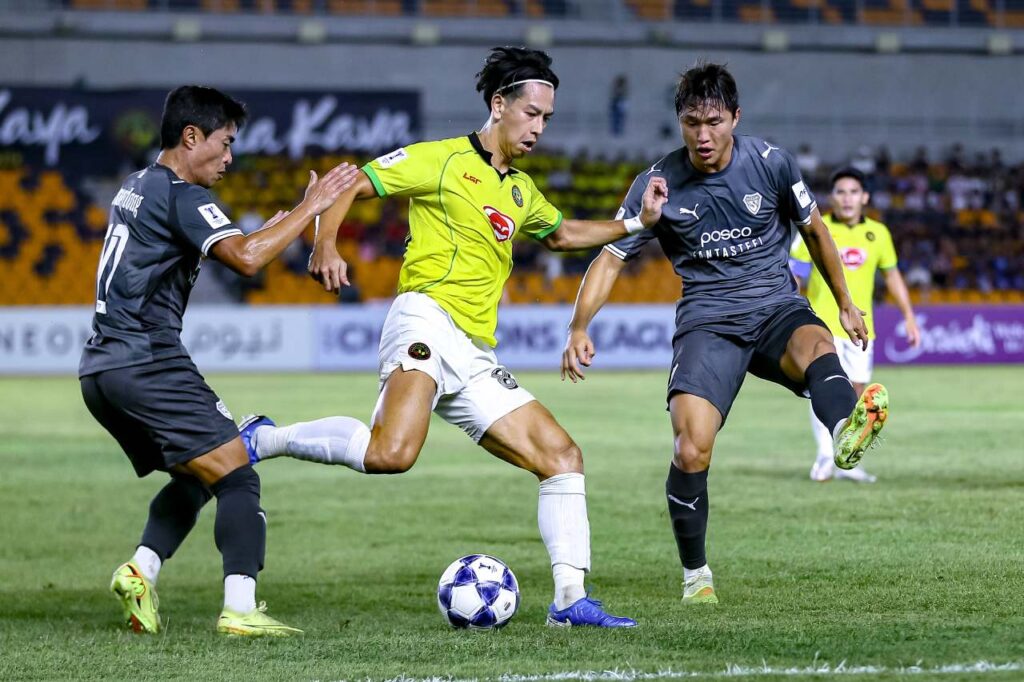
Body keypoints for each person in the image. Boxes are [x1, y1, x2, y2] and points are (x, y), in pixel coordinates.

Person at [240, 46, 668, 628]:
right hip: (423, 319)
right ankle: (266, 438)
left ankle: (570, 601)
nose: (539, 127)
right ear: (499, 105)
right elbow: (352, 185)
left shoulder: (520, 191)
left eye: (547, 118)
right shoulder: (438, 160)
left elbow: (564, 233)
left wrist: (639, 221)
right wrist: (325, 242)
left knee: (563, 457)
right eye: (532, 113)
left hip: (473, 351)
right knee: (393, 455)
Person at [560, 62, 889, 605]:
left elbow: (816, 231)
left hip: (775, 308)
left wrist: (848, 302)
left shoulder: (772, 164)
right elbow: (613, 255)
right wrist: (578, 324)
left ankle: (845, 433)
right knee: (692, 450)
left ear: (735, 117)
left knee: (818, 346)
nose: (703, 135)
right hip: (708, 323)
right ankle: (696, 576)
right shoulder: (657, 185)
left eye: (714, 121)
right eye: (691, 122)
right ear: (679, 122)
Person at [79, 85, 358, 637]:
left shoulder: (137, 186)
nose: (230, 158)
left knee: (199, 474)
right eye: (225, 143)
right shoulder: (184, 194)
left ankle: (142, 570)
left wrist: (277, 226)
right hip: (148, 359)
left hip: (101, 369)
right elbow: (247, 259)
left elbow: (236, 243)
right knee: (236, 473)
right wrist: (312, 208)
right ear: (191, 136)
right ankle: (240, 607)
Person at [790, 167, 920, 483]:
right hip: (822, 324)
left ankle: (846, 460)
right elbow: (795, 272)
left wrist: (909, 315)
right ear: (832, 197)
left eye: (853, 192)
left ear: (864, 197)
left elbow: (892, 276)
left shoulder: (878, 233)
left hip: (862, 329)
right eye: (840, 192)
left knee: (857, 397)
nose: (846, 198)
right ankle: (823, 457)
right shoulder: (815, 229)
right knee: (825, 389)